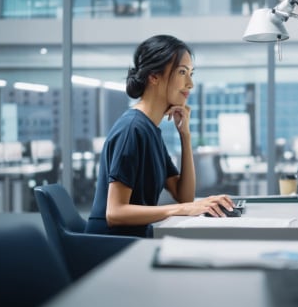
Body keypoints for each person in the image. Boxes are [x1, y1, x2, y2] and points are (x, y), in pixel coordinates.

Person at [86, 34, 235, 237]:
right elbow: (115, 212)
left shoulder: (150, 130)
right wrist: (181, 210)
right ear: (154, 76)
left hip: (135, 240)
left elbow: (184, 196)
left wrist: (185, 135)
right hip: (110, 247)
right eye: (182, 72)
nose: (190, 83)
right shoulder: (132, 129)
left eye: (191, 73)